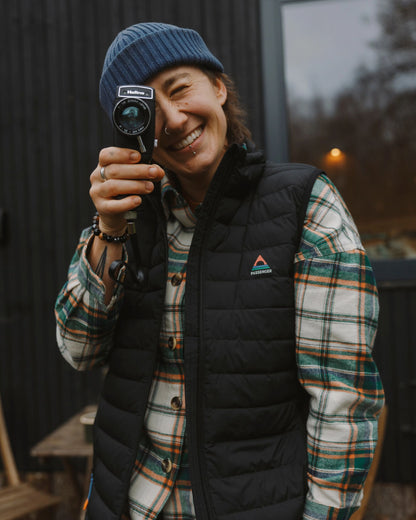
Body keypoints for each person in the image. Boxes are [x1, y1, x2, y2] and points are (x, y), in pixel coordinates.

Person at [55, 22, 384, 520]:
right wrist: (109, 230)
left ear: (218, 87)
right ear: (131, 124)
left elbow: (342, 399)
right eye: (148, 108)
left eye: (179, 89)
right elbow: (78, 350)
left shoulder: (304, 206)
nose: (173, 119)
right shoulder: (125, 219)